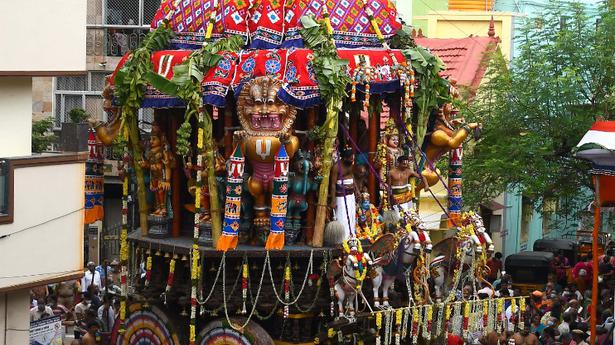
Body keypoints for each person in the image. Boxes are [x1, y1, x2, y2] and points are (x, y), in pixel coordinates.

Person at [329, 147, 358, 240]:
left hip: (351, 195)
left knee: (351, 214)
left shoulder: (350, 164)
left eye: (353, 158)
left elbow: (352, 176)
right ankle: (342, 238)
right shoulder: (336, 167)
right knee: (342, 215)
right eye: (350, 159)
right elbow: (333, 184)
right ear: (344, 158)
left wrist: (357, 189)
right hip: (341, 196)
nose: (352, 161)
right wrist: (333, 200)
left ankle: (351, 235)